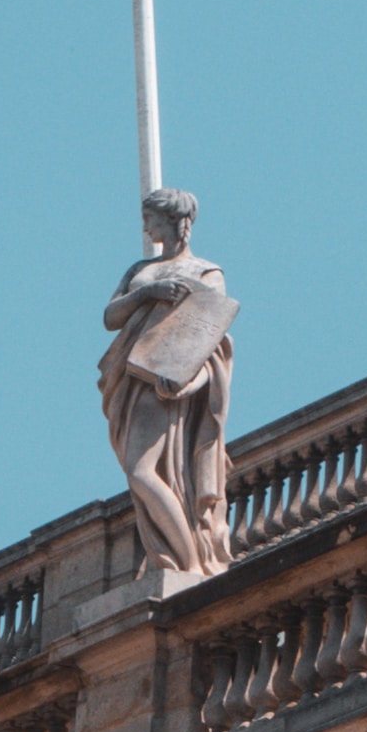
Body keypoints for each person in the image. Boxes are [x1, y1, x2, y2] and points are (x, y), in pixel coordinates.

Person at [99, 190, 237, 580]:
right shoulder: (139, 269)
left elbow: (211, 335)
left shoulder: (207, 272)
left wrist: (185, 378)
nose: (145, 226)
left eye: (152, 218)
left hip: (167, 384)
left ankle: (187, 560)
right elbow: (111, 316)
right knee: (141, 472)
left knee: (142, 472)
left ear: (174, 221)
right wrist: (148, 292)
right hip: (132, 377)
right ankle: (177, 558)